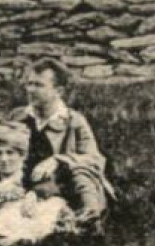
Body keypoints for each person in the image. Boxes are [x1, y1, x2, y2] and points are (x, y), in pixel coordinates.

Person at [9, 57, 113, 222]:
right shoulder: (17, 116)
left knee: (81, 171)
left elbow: (94, 159)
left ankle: (88, 218)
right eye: (29, 84)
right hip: (24, 184)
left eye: (39, 85)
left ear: (59, 91)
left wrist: (58, 160)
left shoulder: (73, 121)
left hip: (62, 186)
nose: (31, 90)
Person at [0, 120, 73, 246]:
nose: (4, 159)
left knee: (52, 206)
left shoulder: (32, 177)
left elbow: (51, 189)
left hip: (33, 218)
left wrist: (33, 194)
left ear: (22, 156)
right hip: (4, 226)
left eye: (10, 153)